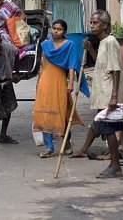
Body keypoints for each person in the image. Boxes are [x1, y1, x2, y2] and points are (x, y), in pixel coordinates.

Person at [32, 20, 90, 158]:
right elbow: (43, 64)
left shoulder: (69, 45)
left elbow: (71, 64)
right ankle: (49, 147)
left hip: (59, 80)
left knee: (62, 112)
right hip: (46, 80)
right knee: (44, 112)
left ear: (64, 31)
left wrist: (70, 83)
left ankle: (66, 142)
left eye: (59, 29)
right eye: (54, 28)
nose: (55, 31)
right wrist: (38, 82)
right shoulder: (46, 44)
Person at [82, 9, 123, 178]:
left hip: (108, 93)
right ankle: (114, 164)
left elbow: (115, 69)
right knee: (107, 129)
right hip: (102, 92)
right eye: (91, 23)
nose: (92, 26)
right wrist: (90, 48)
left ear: (105, 25)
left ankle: (115, 166)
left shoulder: (110, 42)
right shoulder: (102, 43)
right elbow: (100, 61)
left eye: (96, 23)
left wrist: (114, 95)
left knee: (109, 129)